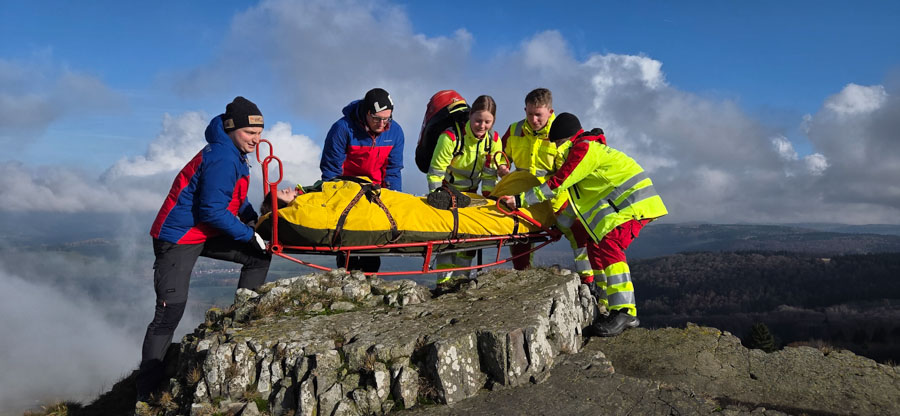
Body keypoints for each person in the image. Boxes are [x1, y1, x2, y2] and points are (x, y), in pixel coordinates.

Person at [136, 97, 272, 402]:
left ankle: (244, 322)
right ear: (232, 128)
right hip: (179, 237)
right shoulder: (223, 156)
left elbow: (234, 199)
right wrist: (249, 235)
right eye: (250, 132)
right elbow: (212, 210)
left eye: (260, 133)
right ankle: (147, 390)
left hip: (204, 233)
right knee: (169, 312)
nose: (256, 139)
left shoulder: (233, 152)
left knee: (258, 256)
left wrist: (253, 221)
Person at [499, 113, 667, 337]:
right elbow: (575, 203)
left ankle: (625, 311)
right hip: (626, 207)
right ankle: (607, 303)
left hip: (633, 205)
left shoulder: (583, 150)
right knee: (597, 245)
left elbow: (558, 183)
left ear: (566, 138)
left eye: (558, 143)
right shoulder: (585, 150)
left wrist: (519, 200)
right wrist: (559, 226)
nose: (556, 148)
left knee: (610, 246)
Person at [320, 88, 405, 273]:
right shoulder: (342, 128)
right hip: (346, 189)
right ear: (366, 112)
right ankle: (346, 271)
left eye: (387, 119)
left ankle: (370, 276)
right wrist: (333, 199)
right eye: (376, 118)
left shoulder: (395, 132)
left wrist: (394, 199)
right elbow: (331, 168)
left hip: (376, 191)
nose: (382, 124)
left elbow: (393, 170)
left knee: (373, 243)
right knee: (348, 243)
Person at [425, 95, 505, 286]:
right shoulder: (450, 138)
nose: (482, 126)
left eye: (487, 122)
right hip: (447, 195)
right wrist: (438, 199)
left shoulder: (493, 140)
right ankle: (443, 284)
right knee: (447, 242)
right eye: (478, 120)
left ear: (493, 121)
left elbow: (489, 175)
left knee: (469, 243)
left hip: (473, 197)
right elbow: (435, 172)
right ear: (470, 116)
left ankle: (461, 283)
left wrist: (489, 198)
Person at [498, 88, 569, 271]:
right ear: (525, 110)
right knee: (520, 240)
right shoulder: (514, 129)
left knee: (578, 235)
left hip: (553, 201)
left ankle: (587, 278)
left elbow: (565, 174)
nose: (534, 119)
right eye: (530, 114)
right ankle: (523, 274)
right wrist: (502, 166)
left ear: (550, 112)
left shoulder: (560, 134)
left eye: (538, 115)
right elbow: (500, 155)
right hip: (522, 199)